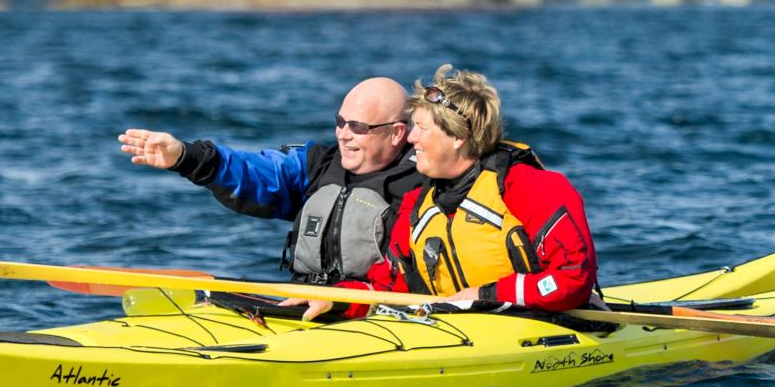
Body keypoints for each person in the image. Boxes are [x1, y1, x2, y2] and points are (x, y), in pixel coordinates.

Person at [313, 65, 600, 320]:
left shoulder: (531, 187)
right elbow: (387, 287)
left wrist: (488, 295)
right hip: (458, 329)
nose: (411, 138)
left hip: (539, 324)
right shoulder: (417, 203)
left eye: (422, 128)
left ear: (458, 137)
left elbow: (572, 278)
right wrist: (333, 300)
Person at [117, 77, 423, 311]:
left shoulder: (423, 183)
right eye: (340, 122)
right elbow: (257, 173)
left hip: (374, 316)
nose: (343, 134)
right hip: (302, 305)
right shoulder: (319, 165)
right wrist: (186, 157)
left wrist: (347, 303)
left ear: (396, 133)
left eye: (357, 127)